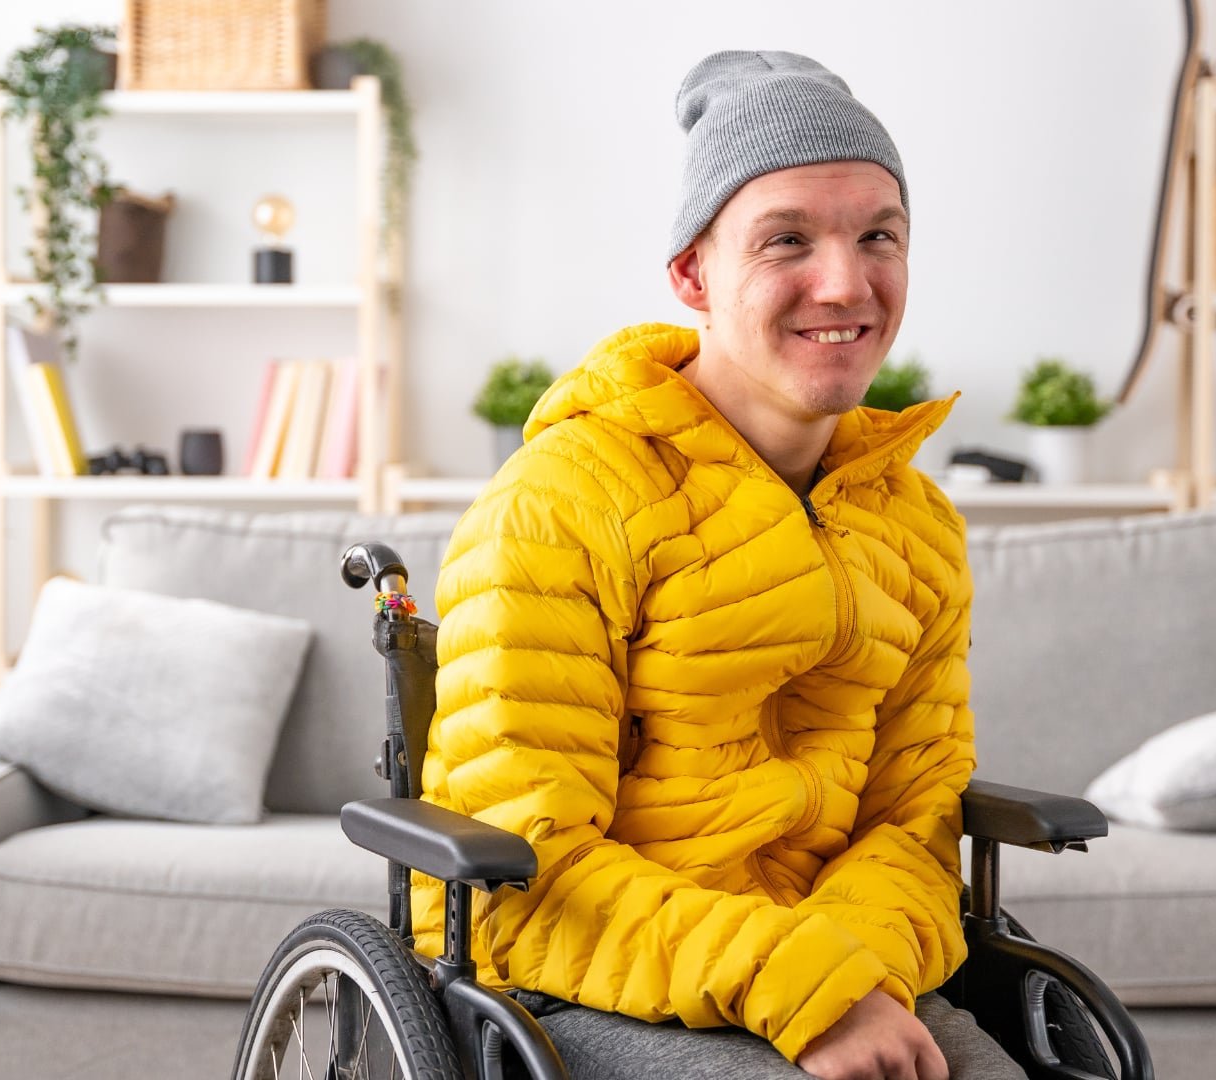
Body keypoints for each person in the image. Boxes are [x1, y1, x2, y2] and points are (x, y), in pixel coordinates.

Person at [414, 49, 1023, 1080]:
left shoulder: (917, 524)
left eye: (879, 235)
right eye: (787, 240)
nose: (846, 281)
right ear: (693, 276)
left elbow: (915, 822)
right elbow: (525, 866)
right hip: (594, 970)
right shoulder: (561, 501)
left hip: (839, 964)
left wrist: (847, 981)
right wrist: (804, 991)